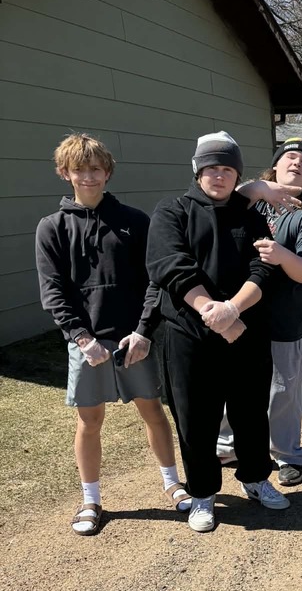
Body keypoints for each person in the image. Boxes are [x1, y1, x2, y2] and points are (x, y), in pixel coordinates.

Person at [35, 133, 190, 537]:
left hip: (134, 341)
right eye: (79, 169)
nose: (88, 176)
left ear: (107, 173)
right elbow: (53, 291)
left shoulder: (135, 221)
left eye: (95, 169)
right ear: (64, 173)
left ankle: (173, 484)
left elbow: (154, 281)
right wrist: (81, 338)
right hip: (86, 345)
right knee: (89, 422)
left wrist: (143, 331)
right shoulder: (52, 228)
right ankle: (91, 500)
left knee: (154, 413)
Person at [146, 131, 286, 533]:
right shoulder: (171, 211)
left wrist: (233, 309)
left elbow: (264, 267)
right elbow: (169, 265)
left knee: (250, 412)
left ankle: (256, 479)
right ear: (198, 170)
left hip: (245, 329)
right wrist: (210, 309)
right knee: (195, 419)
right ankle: (204, 494)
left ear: (236, 173)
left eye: (228, 168)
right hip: (188, 334)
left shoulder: (251, 215)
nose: (219, 175)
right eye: (212, 167)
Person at [218, 137, 302, 487]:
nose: (296, 164)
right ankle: (227, 445)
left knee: (283, 393)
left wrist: (282, 256)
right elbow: (226, 199)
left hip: (286, 323)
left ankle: (287, 454)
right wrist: (262, 187)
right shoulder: (253, 206)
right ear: (275, 166)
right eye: (289, 158)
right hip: (242, 320)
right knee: (233, 387)